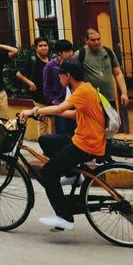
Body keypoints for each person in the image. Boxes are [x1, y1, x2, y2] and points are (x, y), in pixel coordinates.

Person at [20, 58, 105, 231]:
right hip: (84, 138)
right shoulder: (85, 88)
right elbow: (76, 114)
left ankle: (64, 217)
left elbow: (59, 109)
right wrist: (54, 114)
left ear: (68, 76)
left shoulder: (81, 91)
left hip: (86, 144)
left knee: (48, 172)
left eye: (61, 75)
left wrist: (34, 111)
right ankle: (72, 175)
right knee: (46, 140)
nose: (59, 78)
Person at [75, 28, 129, 110]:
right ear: (86, 40)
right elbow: (75, 77)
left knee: (113, 123)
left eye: (98, 39)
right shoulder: (80, 54)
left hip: (109, 98)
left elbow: (118, 73)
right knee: (95, 123)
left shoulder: (108, 52)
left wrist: (124, 93)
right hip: (91, 99)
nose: (97, 42)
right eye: (93, 40)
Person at [15, 37, 51, 137]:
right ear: (36, 48)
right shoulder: (32, 60)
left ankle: (54, 146)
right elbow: (19, 74)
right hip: (39, 96)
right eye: (41, 46)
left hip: (51, 96)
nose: (44, 48)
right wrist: (30, 83)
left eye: (45, 45)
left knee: (54, 123)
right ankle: (45, 149)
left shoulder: (51, 60)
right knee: (43, 123)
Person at [43, 39, 76, 135]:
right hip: (59, 104)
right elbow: (46, 89)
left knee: (75, 132)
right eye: (67, 51)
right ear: (59, 53)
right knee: (61, 133)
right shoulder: (50, 66)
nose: (70, 54)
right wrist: (56, 103)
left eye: (71, 51)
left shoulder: (74, 64)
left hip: (73, 104)